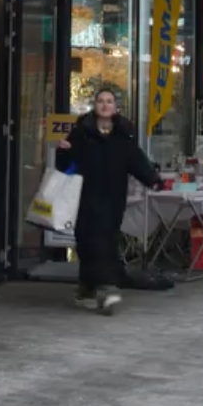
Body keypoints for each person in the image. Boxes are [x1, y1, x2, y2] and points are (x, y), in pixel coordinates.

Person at [56, 89, 162, 314]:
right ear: (95, 106)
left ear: (115, 108)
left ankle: (107, 287)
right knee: (86, 242)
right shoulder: (80, 133)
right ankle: (91, 288)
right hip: (85, 197)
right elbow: (65, 168)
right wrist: (63, 152)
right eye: (101, 101)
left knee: (104, 240)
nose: (105, 105)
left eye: (109, 101)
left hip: (112, 199)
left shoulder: (123, 135)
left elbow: (136, 161)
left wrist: (152, 180)